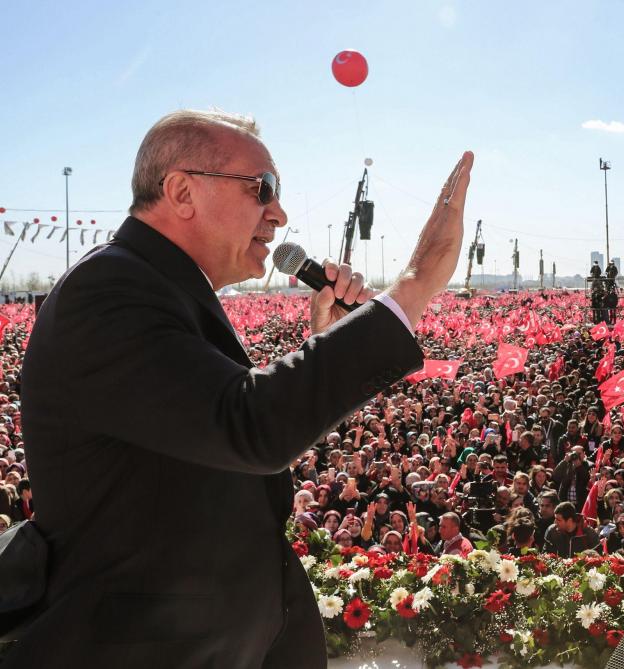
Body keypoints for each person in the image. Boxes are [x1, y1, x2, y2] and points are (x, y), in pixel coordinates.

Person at [8, 110, 473, 668]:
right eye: (262, 189)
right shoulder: (109, 290)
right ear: (182, 191)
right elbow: (248, 425)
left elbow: (216, 443)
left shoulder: (161, 288)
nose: (278, 213)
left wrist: (326, 343)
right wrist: (415, 284)